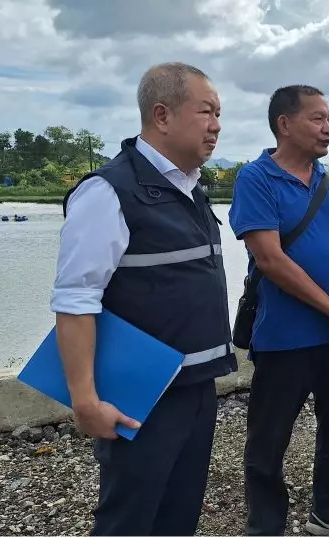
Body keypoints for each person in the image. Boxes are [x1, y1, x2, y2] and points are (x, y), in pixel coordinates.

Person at [50, 62, 236, 536]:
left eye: (219, 114)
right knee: (130, 520)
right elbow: (75, 301)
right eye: (206, 112)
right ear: (162, 115)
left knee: (178, 517)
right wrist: (85, 401)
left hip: (196, 385)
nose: (216, 125)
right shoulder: (108, 192)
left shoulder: (191, 189)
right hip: (142, 394)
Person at [228, 84, 329, 537]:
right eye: (317, 118)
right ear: (284, 124)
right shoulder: (255, 178)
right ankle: (265, 526)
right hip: (285, 337)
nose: (328, 128)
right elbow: (270, 259)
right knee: (268, 439)